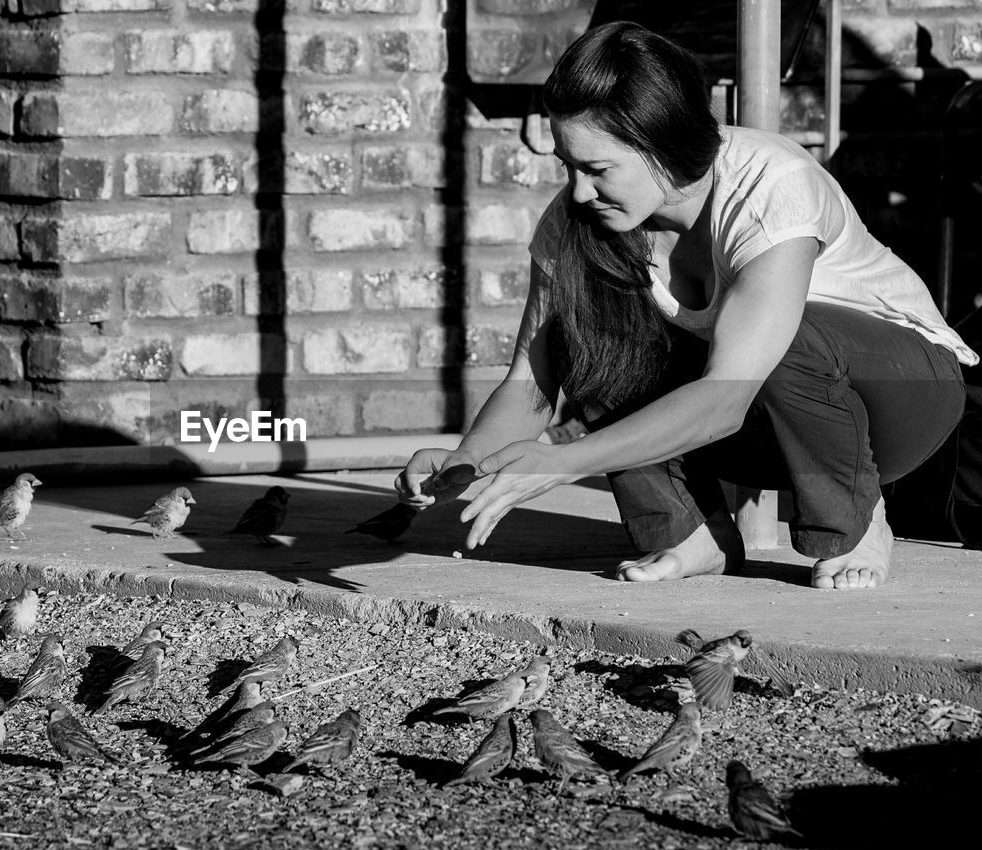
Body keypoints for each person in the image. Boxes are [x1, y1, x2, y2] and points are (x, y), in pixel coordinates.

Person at [396, 22, 978, 590]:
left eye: (597, 169)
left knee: (787, 338)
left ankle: (853, 522)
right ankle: (690, 533)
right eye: (567, 165)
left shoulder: (772, 184)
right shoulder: (579, 221)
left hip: (902, 398)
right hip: (765, 433)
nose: (577, 190)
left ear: (664, 143)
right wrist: (466, 462)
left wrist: (562, 460)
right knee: (596, 331)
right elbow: (531, 381)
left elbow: (727, 395)